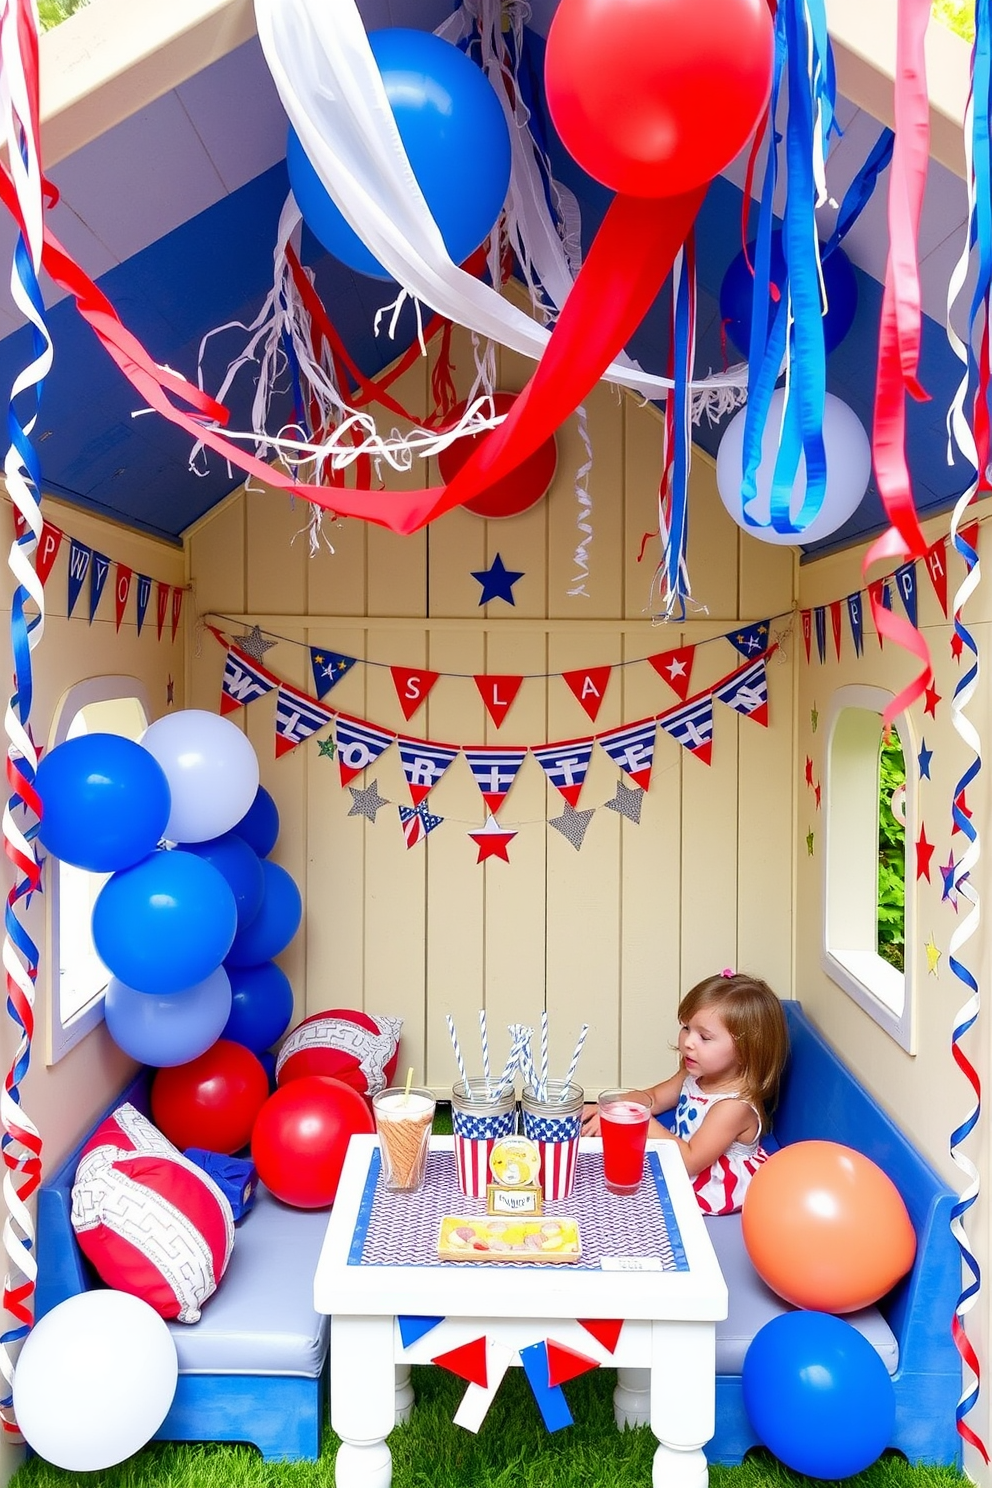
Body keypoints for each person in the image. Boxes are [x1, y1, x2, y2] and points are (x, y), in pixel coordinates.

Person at [581, 970, 789, 1214]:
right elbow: (654, 1098)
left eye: (705, 1037)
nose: (688, 1042)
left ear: (745, 1051)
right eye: (686, 1028)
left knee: (639, 1196)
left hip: (710, 1178)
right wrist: (612, 1106)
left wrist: (642, 1121)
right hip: (681, 1153)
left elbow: (690, 1162)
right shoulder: (694, 1075)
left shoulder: (733, 1106)